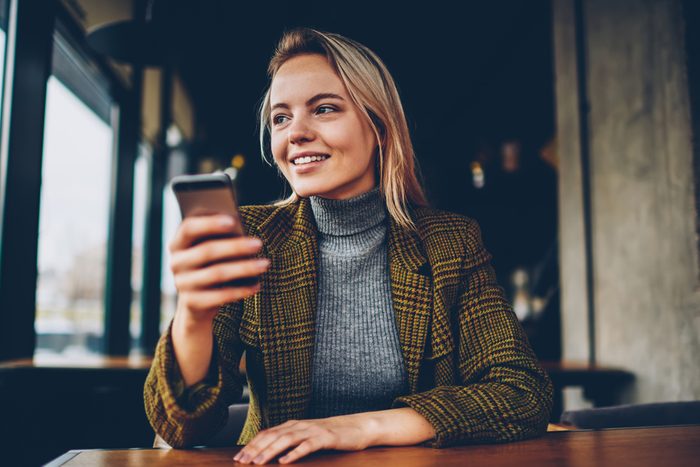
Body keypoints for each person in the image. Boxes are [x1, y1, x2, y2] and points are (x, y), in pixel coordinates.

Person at [143, 28, 553, 465]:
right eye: (281, 118)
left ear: (378, 125)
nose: (295, 133)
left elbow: (522, 392)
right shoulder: (252, 237)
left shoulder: (451, 242)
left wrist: (360, 427)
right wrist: (193, 317)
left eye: (323, 109)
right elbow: (181, 427)